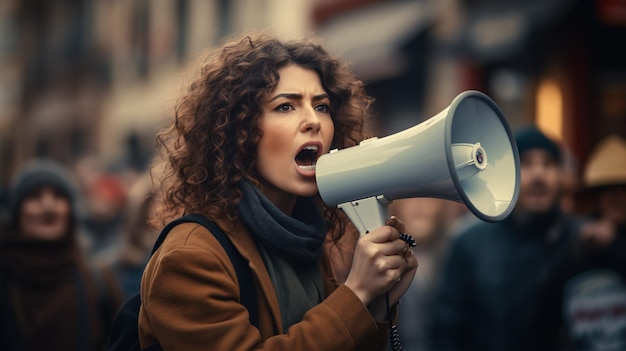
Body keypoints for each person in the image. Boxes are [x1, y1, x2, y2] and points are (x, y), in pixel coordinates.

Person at [138, 31, 418, 350]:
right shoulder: (191, 257)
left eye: (322, 106)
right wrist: (355, 293)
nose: (313, 121)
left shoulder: (302, 236)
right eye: (286, 107)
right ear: (239, 130)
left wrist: (376, 305)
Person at [428, 125, 579, 351]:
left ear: (561, 176)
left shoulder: (583, 239)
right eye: (526, 163)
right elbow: (446, 330)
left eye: (548, 164)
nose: (538, 174)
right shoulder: (469, 242)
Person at [0, 158, 124, 351]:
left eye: (58, 197)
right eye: (34, 197)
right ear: (16, 212)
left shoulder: (98, 280)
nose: (48, 206)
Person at [532, 134, 626, 350]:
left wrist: (614, 247)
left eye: (623, 189)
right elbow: (545, 311)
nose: (616, 197)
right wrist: (580, 249)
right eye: (607, 190)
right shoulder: (574, 237)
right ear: (596, 197)